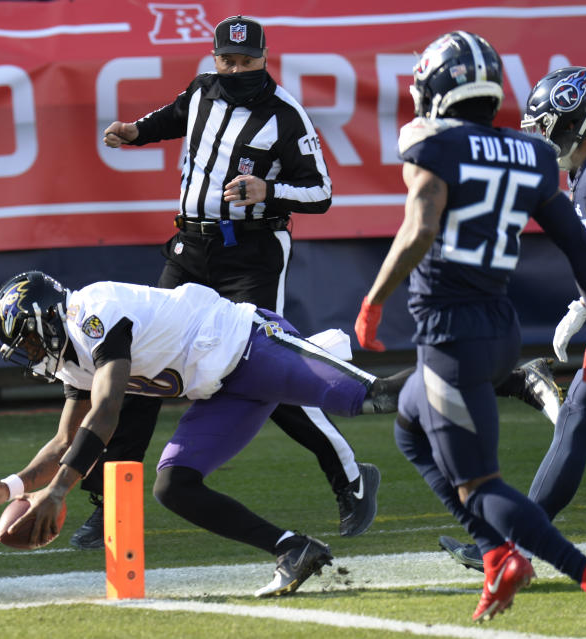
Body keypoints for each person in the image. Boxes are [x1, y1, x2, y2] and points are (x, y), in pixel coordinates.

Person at [84, 13, 380, 551]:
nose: (236, 69)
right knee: (139, 366)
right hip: (190, 247)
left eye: (247, 61)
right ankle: (110, 502)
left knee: (266, 370)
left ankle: (348, 474)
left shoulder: (286, 114)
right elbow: (175, 115)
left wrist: (268, 190)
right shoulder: (202, 89)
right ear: (214, 56)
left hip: (251, 253)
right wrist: (137, 132)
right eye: (227, 59)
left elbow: (322, 193)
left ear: (265, 58)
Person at [353, 32, 586, 622]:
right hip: (499, 329)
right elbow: (579, 248)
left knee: (479, 483)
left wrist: (372, 301)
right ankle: (495, 552)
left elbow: (418, 228)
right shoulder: (533, 156)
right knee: (411, 426)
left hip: (451, 331)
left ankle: (580, 573)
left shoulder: (431, 142)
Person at [0, 271, 406, 597]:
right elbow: (65, 440)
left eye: (29, 342)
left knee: (375, 397)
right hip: (223, 391)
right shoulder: (71, 359)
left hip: (252, 345)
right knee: (174, 485)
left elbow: (106, 413)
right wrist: (11, 486)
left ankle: (460, 375)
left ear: (45, 318)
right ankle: (293, 549)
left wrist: (59, 490)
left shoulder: (90, 312)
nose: (32, 355)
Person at [439, 66, 586, 573]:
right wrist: (585, 306)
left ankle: (516, 545)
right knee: (578, 416)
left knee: (577, 416)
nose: (541, 136)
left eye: (547, 124)